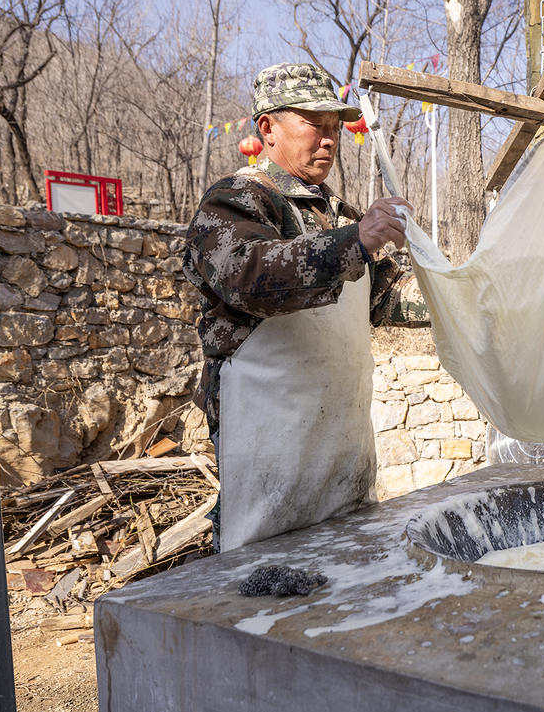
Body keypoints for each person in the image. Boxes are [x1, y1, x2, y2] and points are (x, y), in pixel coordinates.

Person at [184, 63, 429, 551]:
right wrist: (353, 243)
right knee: (262, 580)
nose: (328, 139)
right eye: (313, 124)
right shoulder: (238, 200)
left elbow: (384, 296)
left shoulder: (337, 212)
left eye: (335, 128)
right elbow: (249, 276)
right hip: (270, 445)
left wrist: (463, 298)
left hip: (340, 445)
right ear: (268, 128)